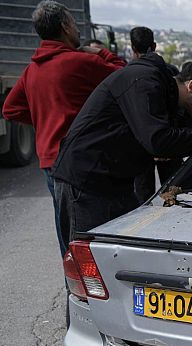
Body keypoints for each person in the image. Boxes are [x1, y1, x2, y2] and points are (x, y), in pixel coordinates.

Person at [52, 57, 192, 247]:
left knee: (120, 254)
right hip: (85, 182)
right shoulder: (145, 82)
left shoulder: (169, 98)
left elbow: (172, 141)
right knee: (88, 262)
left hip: (117, 183)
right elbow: (157, 140)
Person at [1, 0, 125, 257]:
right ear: (65, 26)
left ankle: (73, 283)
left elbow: (10, 109)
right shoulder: (80, 62)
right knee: (85, 231)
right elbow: (124, 75)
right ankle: (85, 288)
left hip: (49, 160)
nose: (78, 29)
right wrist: (100, 53)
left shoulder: (32, 69)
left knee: (64, 224)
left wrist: (44, 119)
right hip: (79, 161)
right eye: (74, 23)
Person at [128, 26, 182, 203]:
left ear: (132, 48)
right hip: (168, 140)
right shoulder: (170, 71)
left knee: (144, 196)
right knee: (173, 190)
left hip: (140, 144)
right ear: (155, 45)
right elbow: (177, 106)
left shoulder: (128, 73)